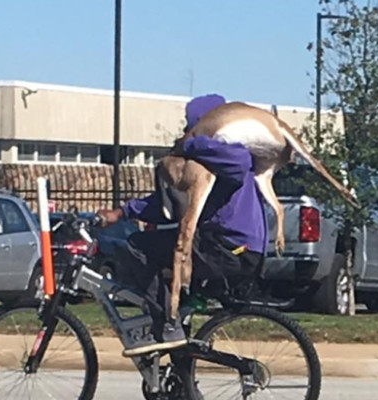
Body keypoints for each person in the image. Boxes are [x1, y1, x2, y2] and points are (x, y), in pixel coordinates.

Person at [98, 94, 267, 357]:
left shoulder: (230, 154)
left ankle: (167, 325)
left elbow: (240, 162)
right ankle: (180, 383)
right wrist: (121, 213)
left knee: (138, 247)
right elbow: (166, 207)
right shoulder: (209, 161)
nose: (184, 129)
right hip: (223, 247)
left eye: (189, 124)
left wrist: (191, 143)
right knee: (164, 253)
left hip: (231, 250)